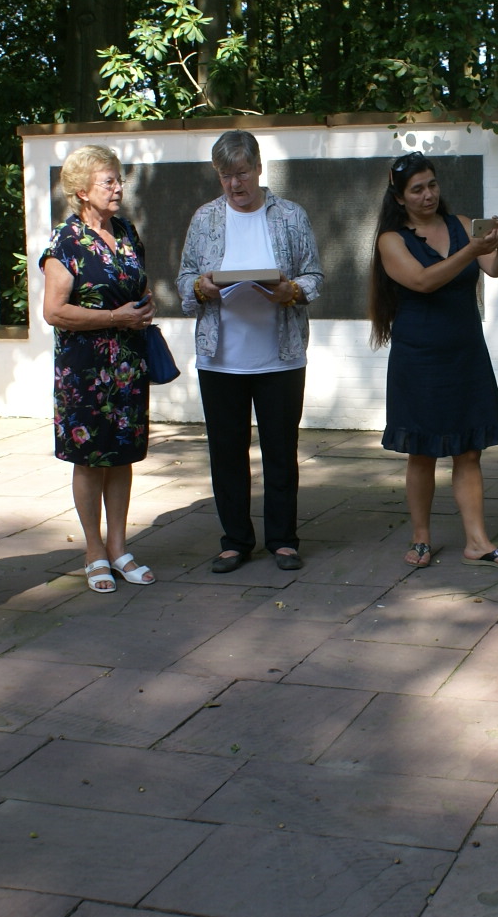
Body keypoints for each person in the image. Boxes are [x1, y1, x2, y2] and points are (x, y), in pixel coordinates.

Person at [179, 131, 324, 574]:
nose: (234, 184)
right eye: (225, 176)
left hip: (281, 356)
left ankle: (283, 540)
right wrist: (200, 287)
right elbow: (184, 278)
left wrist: (291, 290)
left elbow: (315, 276)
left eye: (241, 173)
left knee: (281, 451)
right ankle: (235, 541)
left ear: (259, 168)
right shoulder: (205, 218)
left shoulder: (291, 215)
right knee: (227, 452)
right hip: (220, 358)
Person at [369, 152, 498, 569]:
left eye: (432, 185)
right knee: (422, 451)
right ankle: (421, 537)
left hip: (465, 353)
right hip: (419, 358)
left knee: (469, 450)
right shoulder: (391, 240)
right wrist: (471, 251)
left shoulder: (461, 224)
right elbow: (423, 281)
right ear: (399, 197)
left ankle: (477, 541)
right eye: (417, 189)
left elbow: (496, 269)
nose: (428, 195)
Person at [41, 145, 157, 592]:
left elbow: (138, 285)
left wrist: (144, 307)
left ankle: (119, 548)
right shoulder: (66, 241)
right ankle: (94, 551)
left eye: (118, 179)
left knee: (122, 455)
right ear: (82, 191)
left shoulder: (126, 231)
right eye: (108, 181)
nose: (118, 188)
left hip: (127, 365)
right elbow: (54, 311)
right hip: (85, 371)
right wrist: (114, 317)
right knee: (90, 460)